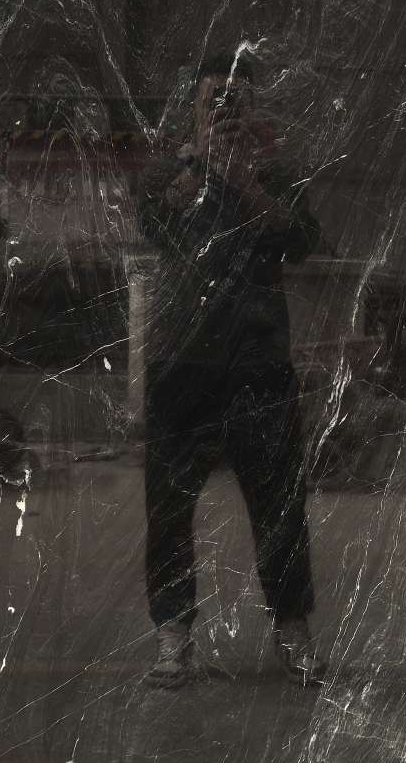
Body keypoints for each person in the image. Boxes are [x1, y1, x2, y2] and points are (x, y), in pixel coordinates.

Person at [136, 49, 322, 688]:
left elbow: (302, 241)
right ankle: (173, 639)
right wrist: (198, 174)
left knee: (280, 506)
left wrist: (244, 180)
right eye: (212, 98)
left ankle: (293, 633)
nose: (223, 108)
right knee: (168, 507)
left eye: (234, 98)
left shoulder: (276, 172)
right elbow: (153, 223)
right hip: (181, 363)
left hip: (257, 363)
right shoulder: (169, 168)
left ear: (253, 105)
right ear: (192, 107)